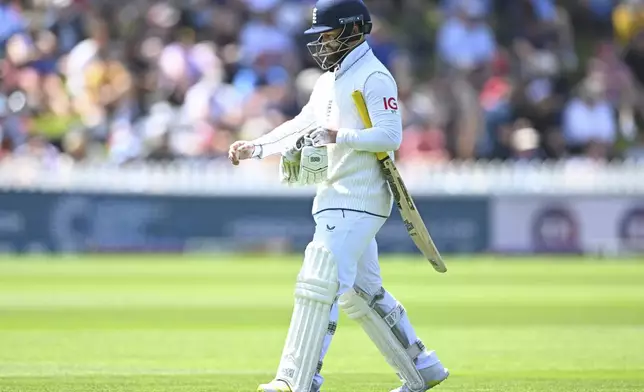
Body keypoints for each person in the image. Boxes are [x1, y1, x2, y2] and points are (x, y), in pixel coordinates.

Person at [227, 1, 449, 391]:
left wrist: (338, 136)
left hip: (359, 195)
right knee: (361, 292)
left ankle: (295, 381)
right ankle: (421, 368)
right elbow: (303, 124)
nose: (321, 44)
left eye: (328, 35)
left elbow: (390, 135)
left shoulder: (374, 75)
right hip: (335, 192)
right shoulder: (329, 80)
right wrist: (257, 147)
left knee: (320, 279)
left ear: (352, 30)